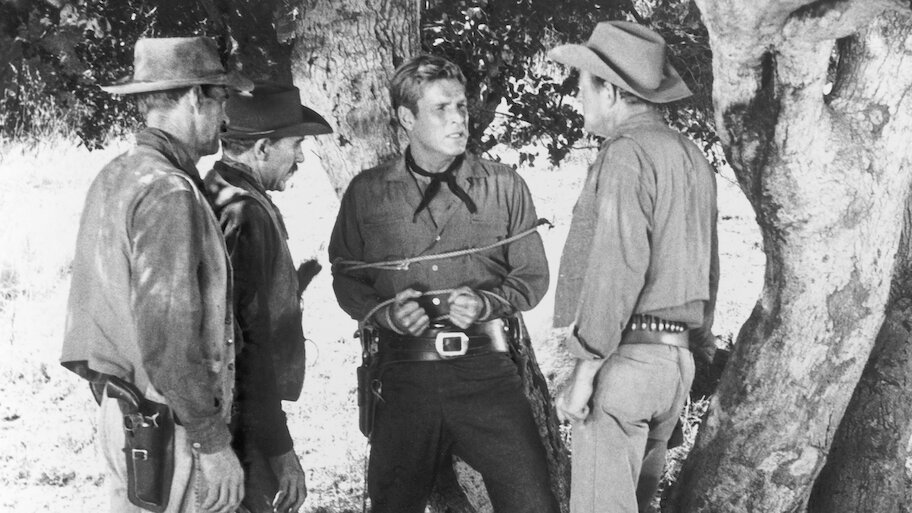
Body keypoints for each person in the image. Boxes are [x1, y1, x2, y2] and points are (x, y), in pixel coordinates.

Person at [328, 54, 558, 513]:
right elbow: (346, 279)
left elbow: (531, 277)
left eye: (462, 107)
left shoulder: (503, 185)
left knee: (533, 504)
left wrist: (487, 303)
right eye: (441, 109)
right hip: (404, 378)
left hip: (487, 376)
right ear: (406, 118)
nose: (458, 120)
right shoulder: (367, 192)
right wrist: (388, 315)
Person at [60, 37, 253, 513]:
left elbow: (93, 320)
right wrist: (211, 441)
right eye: (221, 98)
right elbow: (168, 336)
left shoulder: (119, 174)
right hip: (171, 426)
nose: (225, 117)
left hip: (130, 414)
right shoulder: (169, 190)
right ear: (195, 98)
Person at [548, 21, 719, 513]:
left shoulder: (626, 154)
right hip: (675, 365)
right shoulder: (691, 155)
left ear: (609, 90)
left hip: (626, 364)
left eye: (583, 84)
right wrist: (696, 351)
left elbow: (616, 268)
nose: (578, 95)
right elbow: (710, 268)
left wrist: (585, 372)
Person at [204, 82, 332, 513]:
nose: (301, 157)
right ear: (261, 148)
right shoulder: (245, 213)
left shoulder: (220, 190)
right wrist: (281, 450)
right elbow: (247, 347)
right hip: (243, 424)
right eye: (295, 145)